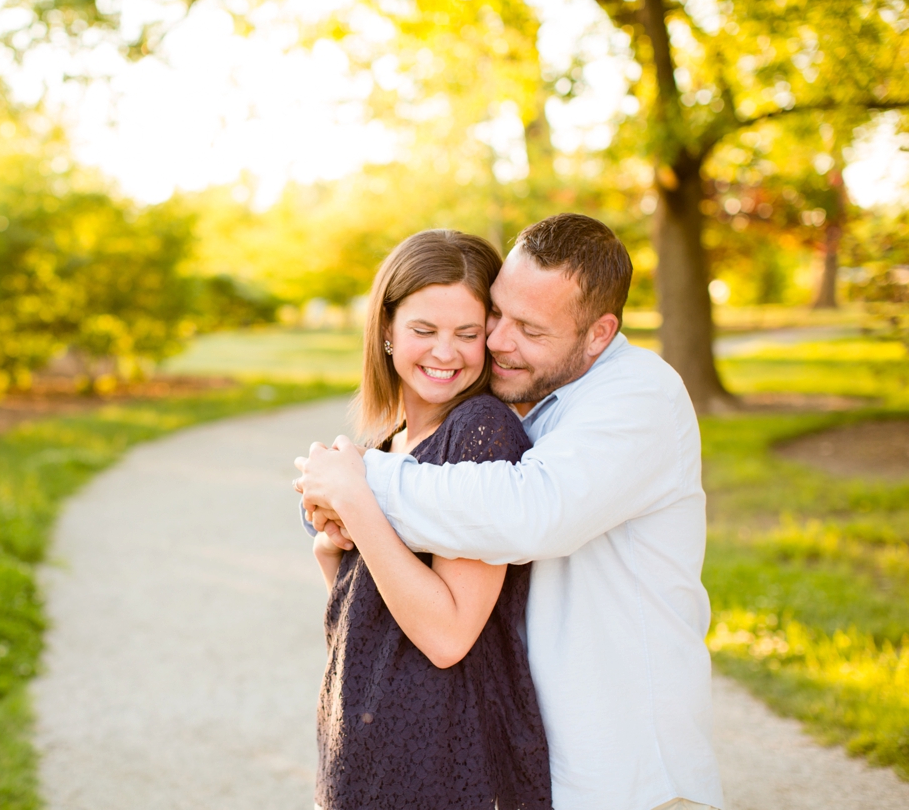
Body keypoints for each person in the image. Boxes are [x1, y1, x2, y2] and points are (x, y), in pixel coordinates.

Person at [296, 214, 725, 810]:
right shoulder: (532, 399)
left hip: (625, 766)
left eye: (528, 327)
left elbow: (525, 514)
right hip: (533, 750)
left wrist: (357, 483)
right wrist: (337, 537)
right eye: (498, 313)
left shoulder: (636, 396)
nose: (496, 341)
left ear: (598, 334)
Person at [304, 229, 552, 810]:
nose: (446, 353)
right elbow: (377, 630)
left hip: (445, 762)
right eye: (423, 331)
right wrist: (333, 557)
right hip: (362, 755)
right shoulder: (387, 441)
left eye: (467, 334)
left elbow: (447, 636)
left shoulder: (482, 434)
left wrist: (359, 505)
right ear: (386, 330)